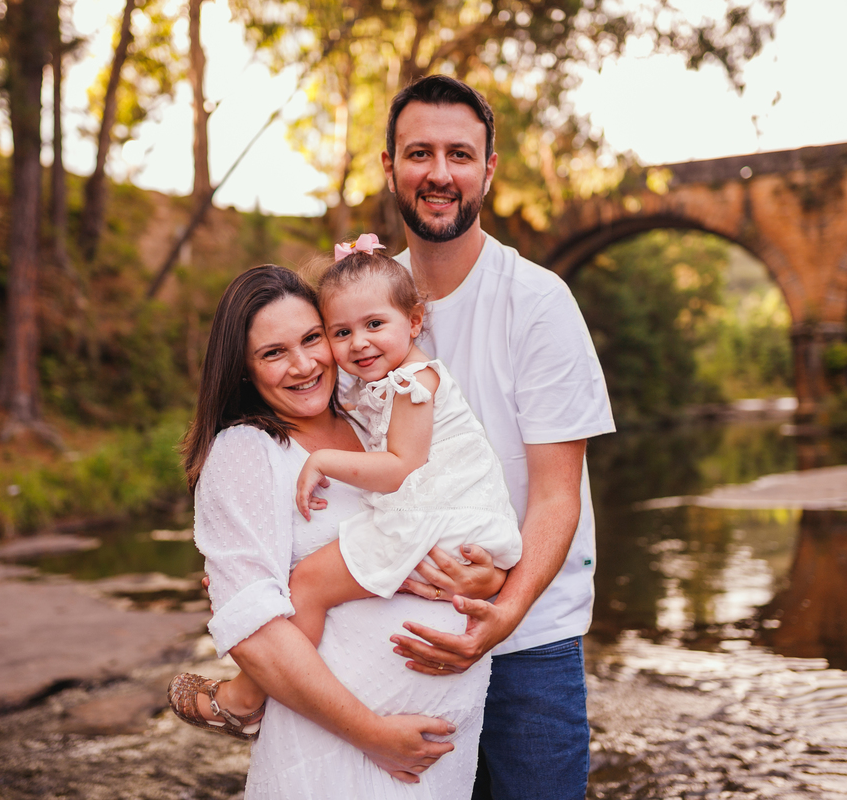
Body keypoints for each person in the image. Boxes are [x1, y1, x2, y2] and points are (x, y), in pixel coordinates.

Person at [170, 264, 507, 799]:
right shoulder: (246, 451)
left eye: (312, 338)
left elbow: (443, 507)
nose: (304, 364)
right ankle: (239, 705)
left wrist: (482, 579)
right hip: (340, 751)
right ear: (243, 369)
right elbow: (253, 626)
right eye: (273, 352)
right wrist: (372, 734)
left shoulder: (369, 416)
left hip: (435, 752)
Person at [379, 75, 615, 800]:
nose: (439, 174)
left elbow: (555, 497)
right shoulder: (364, 304)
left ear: (489, 169)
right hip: (398, 634)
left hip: (528, 646)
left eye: (460, 154)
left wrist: (501, 613)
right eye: (420, 153)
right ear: (389, 167)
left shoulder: (537, 302)